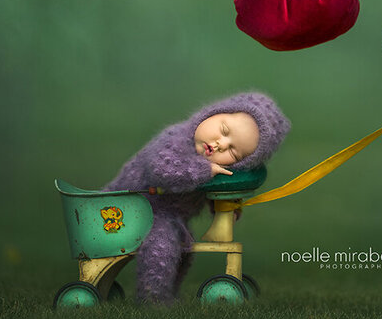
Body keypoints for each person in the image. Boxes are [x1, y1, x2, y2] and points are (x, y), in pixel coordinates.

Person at [104, 92, 289, 303]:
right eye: (224, 130)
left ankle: (169, 292)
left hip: (163, 213)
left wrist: (222, 203)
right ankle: (152, 297)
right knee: (162, 240)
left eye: (233, 152)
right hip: (128, 208)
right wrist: (203, 170)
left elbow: (206, 187)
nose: (221, 144)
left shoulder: (210, 165)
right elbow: (160, 169)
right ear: (211, 114)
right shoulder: (176, 139)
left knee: (184, 247)